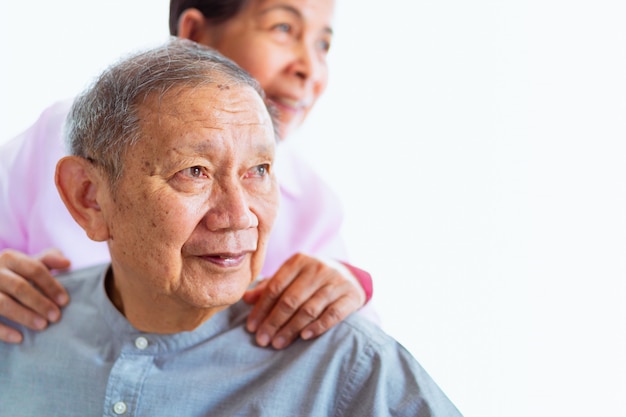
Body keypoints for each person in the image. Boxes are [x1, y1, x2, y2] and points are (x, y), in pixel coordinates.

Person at [0, 39, 461, 417]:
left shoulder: (347, 364)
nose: (239, 215)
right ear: (89, 197)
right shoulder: (17, 332)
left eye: (258, 169)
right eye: (194, 171)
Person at [0, 0, 377, 348]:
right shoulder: (60, 138)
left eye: (323, 45)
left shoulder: (309, 199)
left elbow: (360, 344)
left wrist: (347, 284)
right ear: (195, 34)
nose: (308, 69)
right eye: (282, 28)